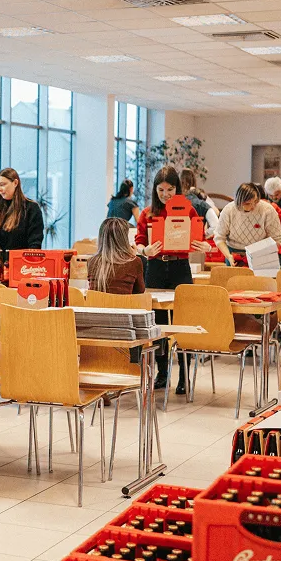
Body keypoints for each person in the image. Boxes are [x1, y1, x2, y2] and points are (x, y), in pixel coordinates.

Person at [135, 166, 194, 392]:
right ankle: (162, 373)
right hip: (156, 267)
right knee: (157, 322)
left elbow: (197, 234)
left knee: (184, 320)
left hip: (180, 266)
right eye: (161, 190)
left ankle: (184, 376)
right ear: (155, 190)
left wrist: (201, 244)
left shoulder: (187, 210)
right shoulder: (147, 213)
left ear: (177, 189)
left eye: (170, 189)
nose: (165, 194)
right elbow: (139, 242)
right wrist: (144, 250)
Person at [0, 168, 44, 277]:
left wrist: (27, 268)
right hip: (4, 269)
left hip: (25, 268)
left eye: (3, 184)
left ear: (15, 183)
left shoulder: (31, 208)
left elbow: (35, 245)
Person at [214, 183, 281, 265]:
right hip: (234, 254)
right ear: (239, 202)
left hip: (262, 253)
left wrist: (260, 254)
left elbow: (277, 239)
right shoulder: (228, 210)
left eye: (255, 201)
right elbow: (219, 238)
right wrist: (228, 256)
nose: (253, 206)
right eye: (248, 203)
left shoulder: (267, 210)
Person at [88, 217, 145, 295]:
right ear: (125, 239)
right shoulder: (135, 262)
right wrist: (132, 256)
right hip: (123, 303)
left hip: (96, 303)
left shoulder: (91, 261)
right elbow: (139, 291)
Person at [180, 168, 218, 240]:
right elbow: (216, 216)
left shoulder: (173, 201)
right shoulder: (201, 201)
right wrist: (204, 234)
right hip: (197, 240)